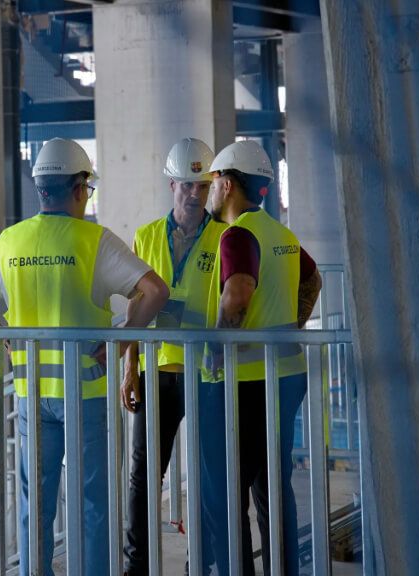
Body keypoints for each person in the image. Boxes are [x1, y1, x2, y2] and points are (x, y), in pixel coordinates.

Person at [0, 138, 169, 576]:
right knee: (93, 500)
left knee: (35, 502)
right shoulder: (94, 240)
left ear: (40, 188)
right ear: (77, 188)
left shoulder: (10, 241)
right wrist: (123, 339)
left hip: (31, 392)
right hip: (85, 391)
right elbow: (155, 291)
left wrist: (4, 339)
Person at [203, 140, 322, 576]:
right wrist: (293, 325)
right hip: (286, 375)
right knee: (272, 489)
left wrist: (218, 348)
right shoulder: (281, 234)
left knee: (227, 494)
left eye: (212, 181)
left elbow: (237, 295)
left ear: (227, 184)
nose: (208, 191)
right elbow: (313, 281)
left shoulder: (238, 235)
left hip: (248, 383)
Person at [120, 138, 227, 575]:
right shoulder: (146, 236)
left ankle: (199, 563)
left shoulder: (224, 237)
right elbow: (135, 306)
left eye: (202, 186)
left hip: (205, 373)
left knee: (208, 474)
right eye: (186, 185)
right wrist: (130, 367)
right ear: (172, 185)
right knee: (144, 475)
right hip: (156, 369)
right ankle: (137, 566)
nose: (194, 194)